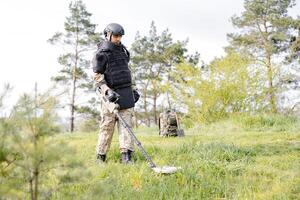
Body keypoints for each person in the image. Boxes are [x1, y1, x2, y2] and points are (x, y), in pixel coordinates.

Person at [92, 23, 140, 164]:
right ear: (108, 35)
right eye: (116, 36)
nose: (118, 39)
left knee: (126, 126)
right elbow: (97, 78)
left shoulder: (123, 52)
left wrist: (133, 90)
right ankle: (100, 157)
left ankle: (126, 157)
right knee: (107, 126)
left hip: (125, 93)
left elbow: (126, 73)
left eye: (120, 36)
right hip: (110, 96)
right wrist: (107, 91)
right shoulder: (101, 54)